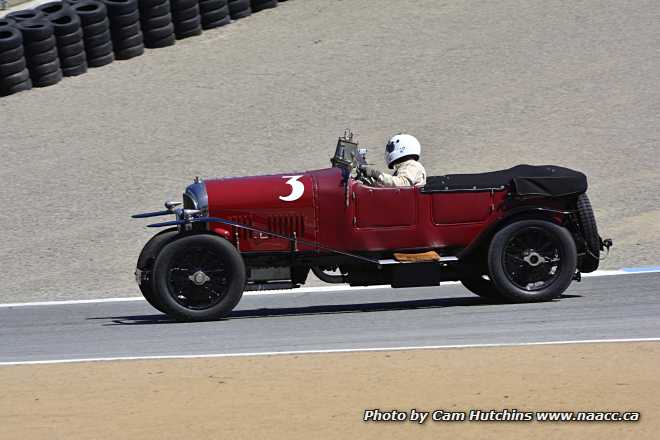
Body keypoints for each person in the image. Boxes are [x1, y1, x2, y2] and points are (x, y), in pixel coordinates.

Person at [360, 134, 427, 187]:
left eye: (391, 148)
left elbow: (402, 184)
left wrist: (376, 174)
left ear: (402, 147)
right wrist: (372, 183)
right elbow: (392, 188)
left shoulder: (413, 165)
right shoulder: (405, 167)